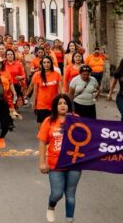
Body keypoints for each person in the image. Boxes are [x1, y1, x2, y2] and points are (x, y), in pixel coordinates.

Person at [38, 94, 80, 223]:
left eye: (65, 103)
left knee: (70, 194)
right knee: (57, 193)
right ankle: (51, 206)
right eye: (60, 103)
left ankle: (69, 220)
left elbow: (87, 137)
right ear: (55, 106)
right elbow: (42, 143)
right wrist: (42, 163)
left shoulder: (76, 119)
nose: (63, 105)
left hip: (74, 163)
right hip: (55, 164)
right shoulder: (48, 121)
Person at [31, 56, 63, 127]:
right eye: (44, 62)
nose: (46, 64)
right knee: (42, 127)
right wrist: (34, 103)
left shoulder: (57, 75)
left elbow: (61, 90)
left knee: (53, 127)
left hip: (54, 105)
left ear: (51, 63)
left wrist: (63, 102)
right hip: (41, 105)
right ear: (41, 64)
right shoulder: (37, 75)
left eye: (48, 62)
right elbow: (35, 91)